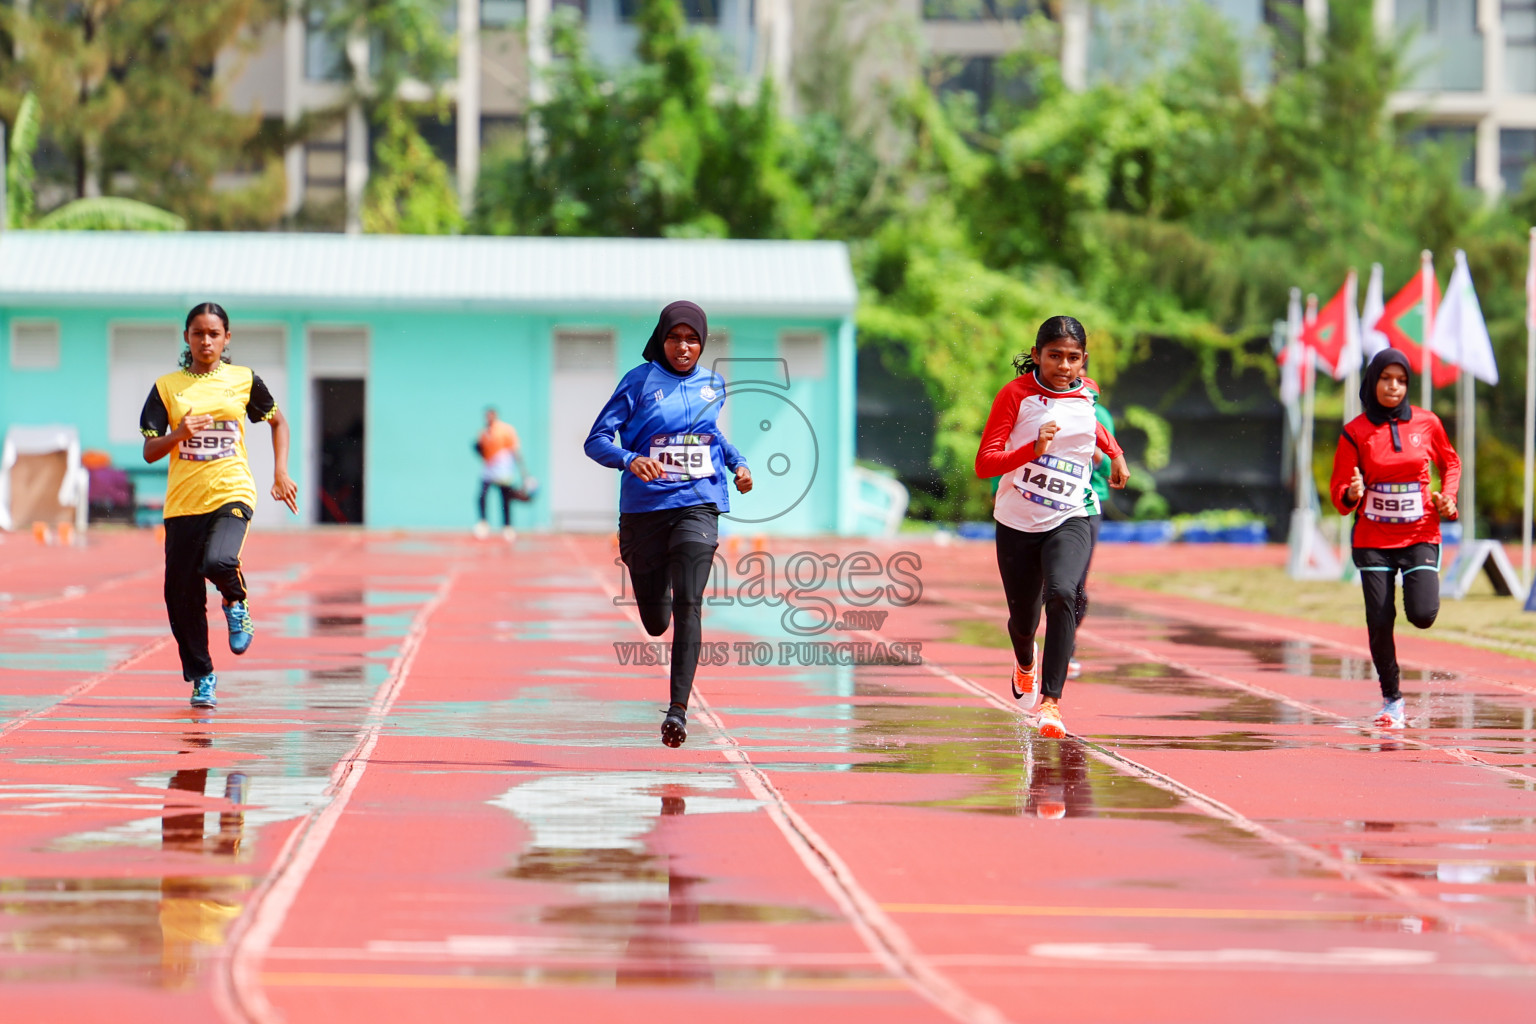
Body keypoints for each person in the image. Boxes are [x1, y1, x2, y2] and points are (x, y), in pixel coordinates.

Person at [584, 300, 752, 748]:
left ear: (702, 343)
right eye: (675, 338)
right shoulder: (637, 382)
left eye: (692, 339)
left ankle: (678, 712)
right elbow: (596, 440)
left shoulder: (712, 385)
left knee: (690, 604)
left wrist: (738, 464)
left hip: (699, 503)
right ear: (662, 341)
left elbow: (712, 436)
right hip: (644, 513)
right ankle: (646, 581)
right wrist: (629, 459)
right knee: (657, 622)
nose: (683, 347)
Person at [975, 316, 1128, 738]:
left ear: (1084, 361)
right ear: (1037, 353)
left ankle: (1052, 704)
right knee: (1023, 622)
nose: (1064, 366)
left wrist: (1115, 453)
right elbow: (984, 462)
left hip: (1072, 514)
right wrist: (1032, 450)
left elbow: (1090, 424)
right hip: (1018, 521)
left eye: (1073, 358)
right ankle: (1025, 661)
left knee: (1063, 594)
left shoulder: (1088, 390)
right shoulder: (1015, 396)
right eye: (1055, 356)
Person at [140, 303, 298, 709]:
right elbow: (149, 451)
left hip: (231, 492)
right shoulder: (166, 387)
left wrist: (280, 472)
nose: (205, 341)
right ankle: (203, 676)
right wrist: (178, 433)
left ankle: (236, 601)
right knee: (181, 596)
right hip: (182, 506)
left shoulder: (243, 380)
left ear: (227, 338)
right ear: (186, 337)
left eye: (214, 334)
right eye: (198, 333)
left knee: (219, 561)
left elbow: (278, 422)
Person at [1329, 348, 1460, 729]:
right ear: (1373, 381)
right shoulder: (1355, 432)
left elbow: (1450, 462)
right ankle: (1393, 701)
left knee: (1422, 615)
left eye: (1401, 380)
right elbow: (1339, 491)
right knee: (1380, 618)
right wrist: (1352, 493)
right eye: (1386, 378)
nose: (1394, 386)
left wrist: (1448, 497)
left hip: (1420, 532)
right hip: (1372, 537)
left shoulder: (1427, 423)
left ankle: (1395, 695)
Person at [1067, 374, 1117, 680]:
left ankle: (1065, 645)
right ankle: (1025, 644)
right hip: (1039, 502)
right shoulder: (1033, 405)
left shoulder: (1100, 415)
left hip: (1086, 503)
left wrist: (1088, 442)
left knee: (1073, 587)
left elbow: (1109, 463)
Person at [475, 407, 530, 541]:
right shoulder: (483, 433)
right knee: (482, 494)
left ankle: (507, 527)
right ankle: (483, 523)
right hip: (489, 467)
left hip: (503, 468)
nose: (489, 418)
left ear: (496, 416)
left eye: (491, 415)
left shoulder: (506, 430)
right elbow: (481, 450)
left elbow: (515, 450)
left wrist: (523, 472)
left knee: (505, 497)